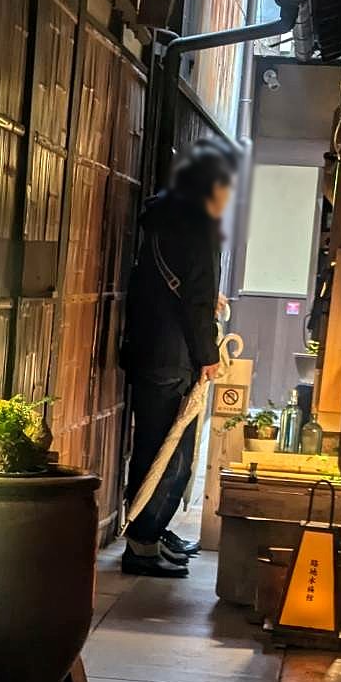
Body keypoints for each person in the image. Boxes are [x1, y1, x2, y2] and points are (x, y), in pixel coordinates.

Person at [119, 141, 237, 577]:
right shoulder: (200, 223)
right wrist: (208, 355)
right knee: (170, 455)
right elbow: (196, 298)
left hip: (148, 348)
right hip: (173, 356)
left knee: (153, 448)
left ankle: (152, 533)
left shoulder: (163, 214)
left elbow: (171, 286)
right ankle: (143, 543)